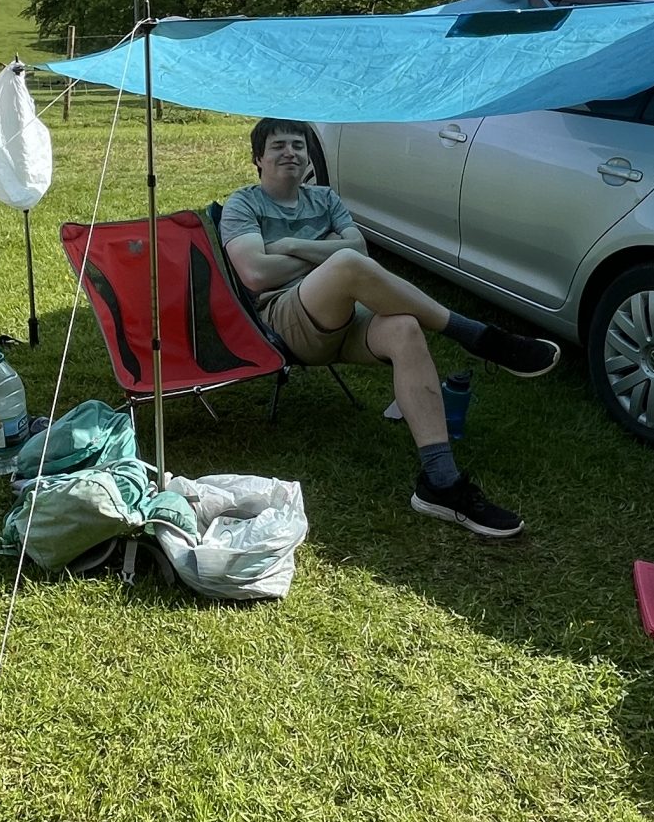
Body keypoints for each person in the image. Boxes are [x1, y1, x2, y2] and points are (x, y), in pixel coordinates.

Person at [219, 117, 560, 538]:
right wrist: (330, 252)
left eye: (298, 145)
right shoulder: (244, 205)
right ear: (258, 158)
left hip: (342, 316)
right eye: (277, 147)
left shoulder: (324, 198)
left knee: (404, 329)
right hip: (285, 321)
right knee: (345, 265)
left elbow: (361, 248)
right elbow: (255, 273)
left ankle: (441, 483)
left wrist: (290, 245)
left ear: (309, 156)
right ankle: (476, 336)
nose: (290, 152)